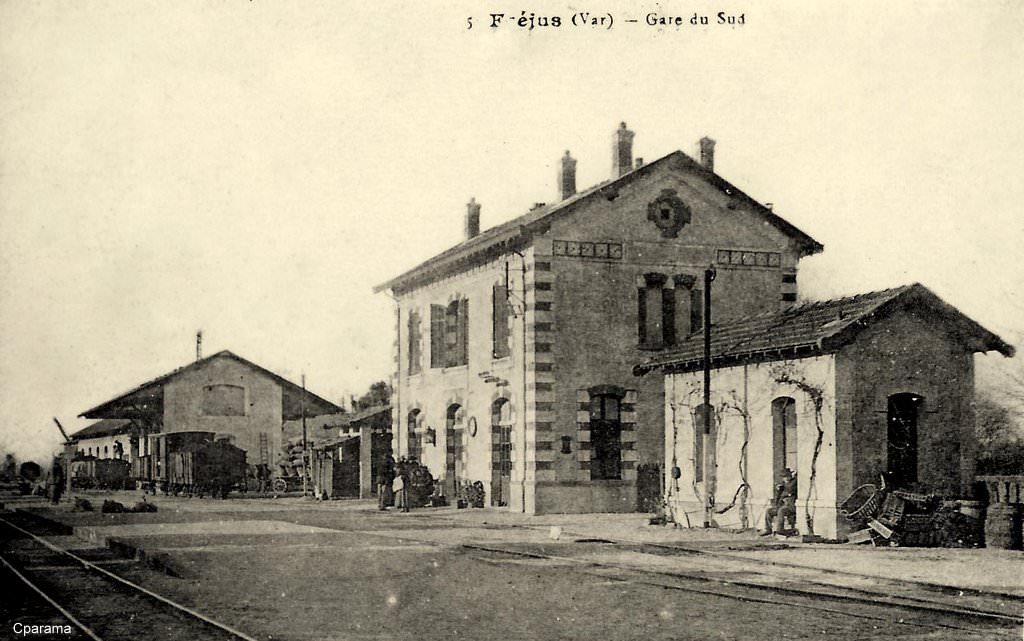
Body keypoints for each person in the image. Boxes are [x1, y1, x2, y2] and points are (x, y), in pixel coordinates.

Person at [763, 468, 797, 535]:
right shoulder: (783, 486)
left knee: (781, 511)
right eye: (784, 477)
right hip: (782, 506)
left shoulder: (793, 483)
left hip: (790, 507)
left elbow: (790, 490)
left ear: (791, 476)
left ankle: (780, 529)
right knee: (769, 511)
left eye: (788, 476)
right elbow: (779, 498)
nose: (786, 478)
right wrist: (778, 491)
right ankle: (768, 529)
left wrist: (784, 492)